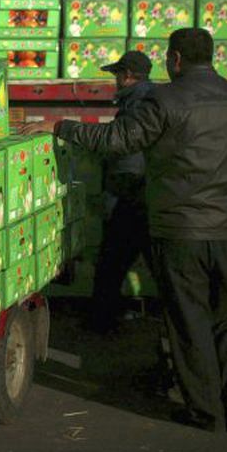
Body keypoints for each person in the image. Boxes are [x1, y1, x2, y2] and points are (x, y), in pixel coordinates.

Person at [25, 28, 227, 433]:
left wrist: (62, 127)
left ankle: (206, 411)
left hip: (180, 228)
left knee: (189, 319)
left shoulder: (165, 100)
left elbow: (117, 140)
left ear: (175, 59)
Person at [89, 51, 156, 334]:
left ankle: (102, 322)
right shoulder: (146, 99)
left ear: (127, 75)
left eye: (117, 75)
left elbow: (129, 155)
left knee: (112, 261)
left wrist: (115, 191)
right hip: (144, 193)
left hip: (132, 195)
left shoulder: (137, 104)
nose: (114, 81)